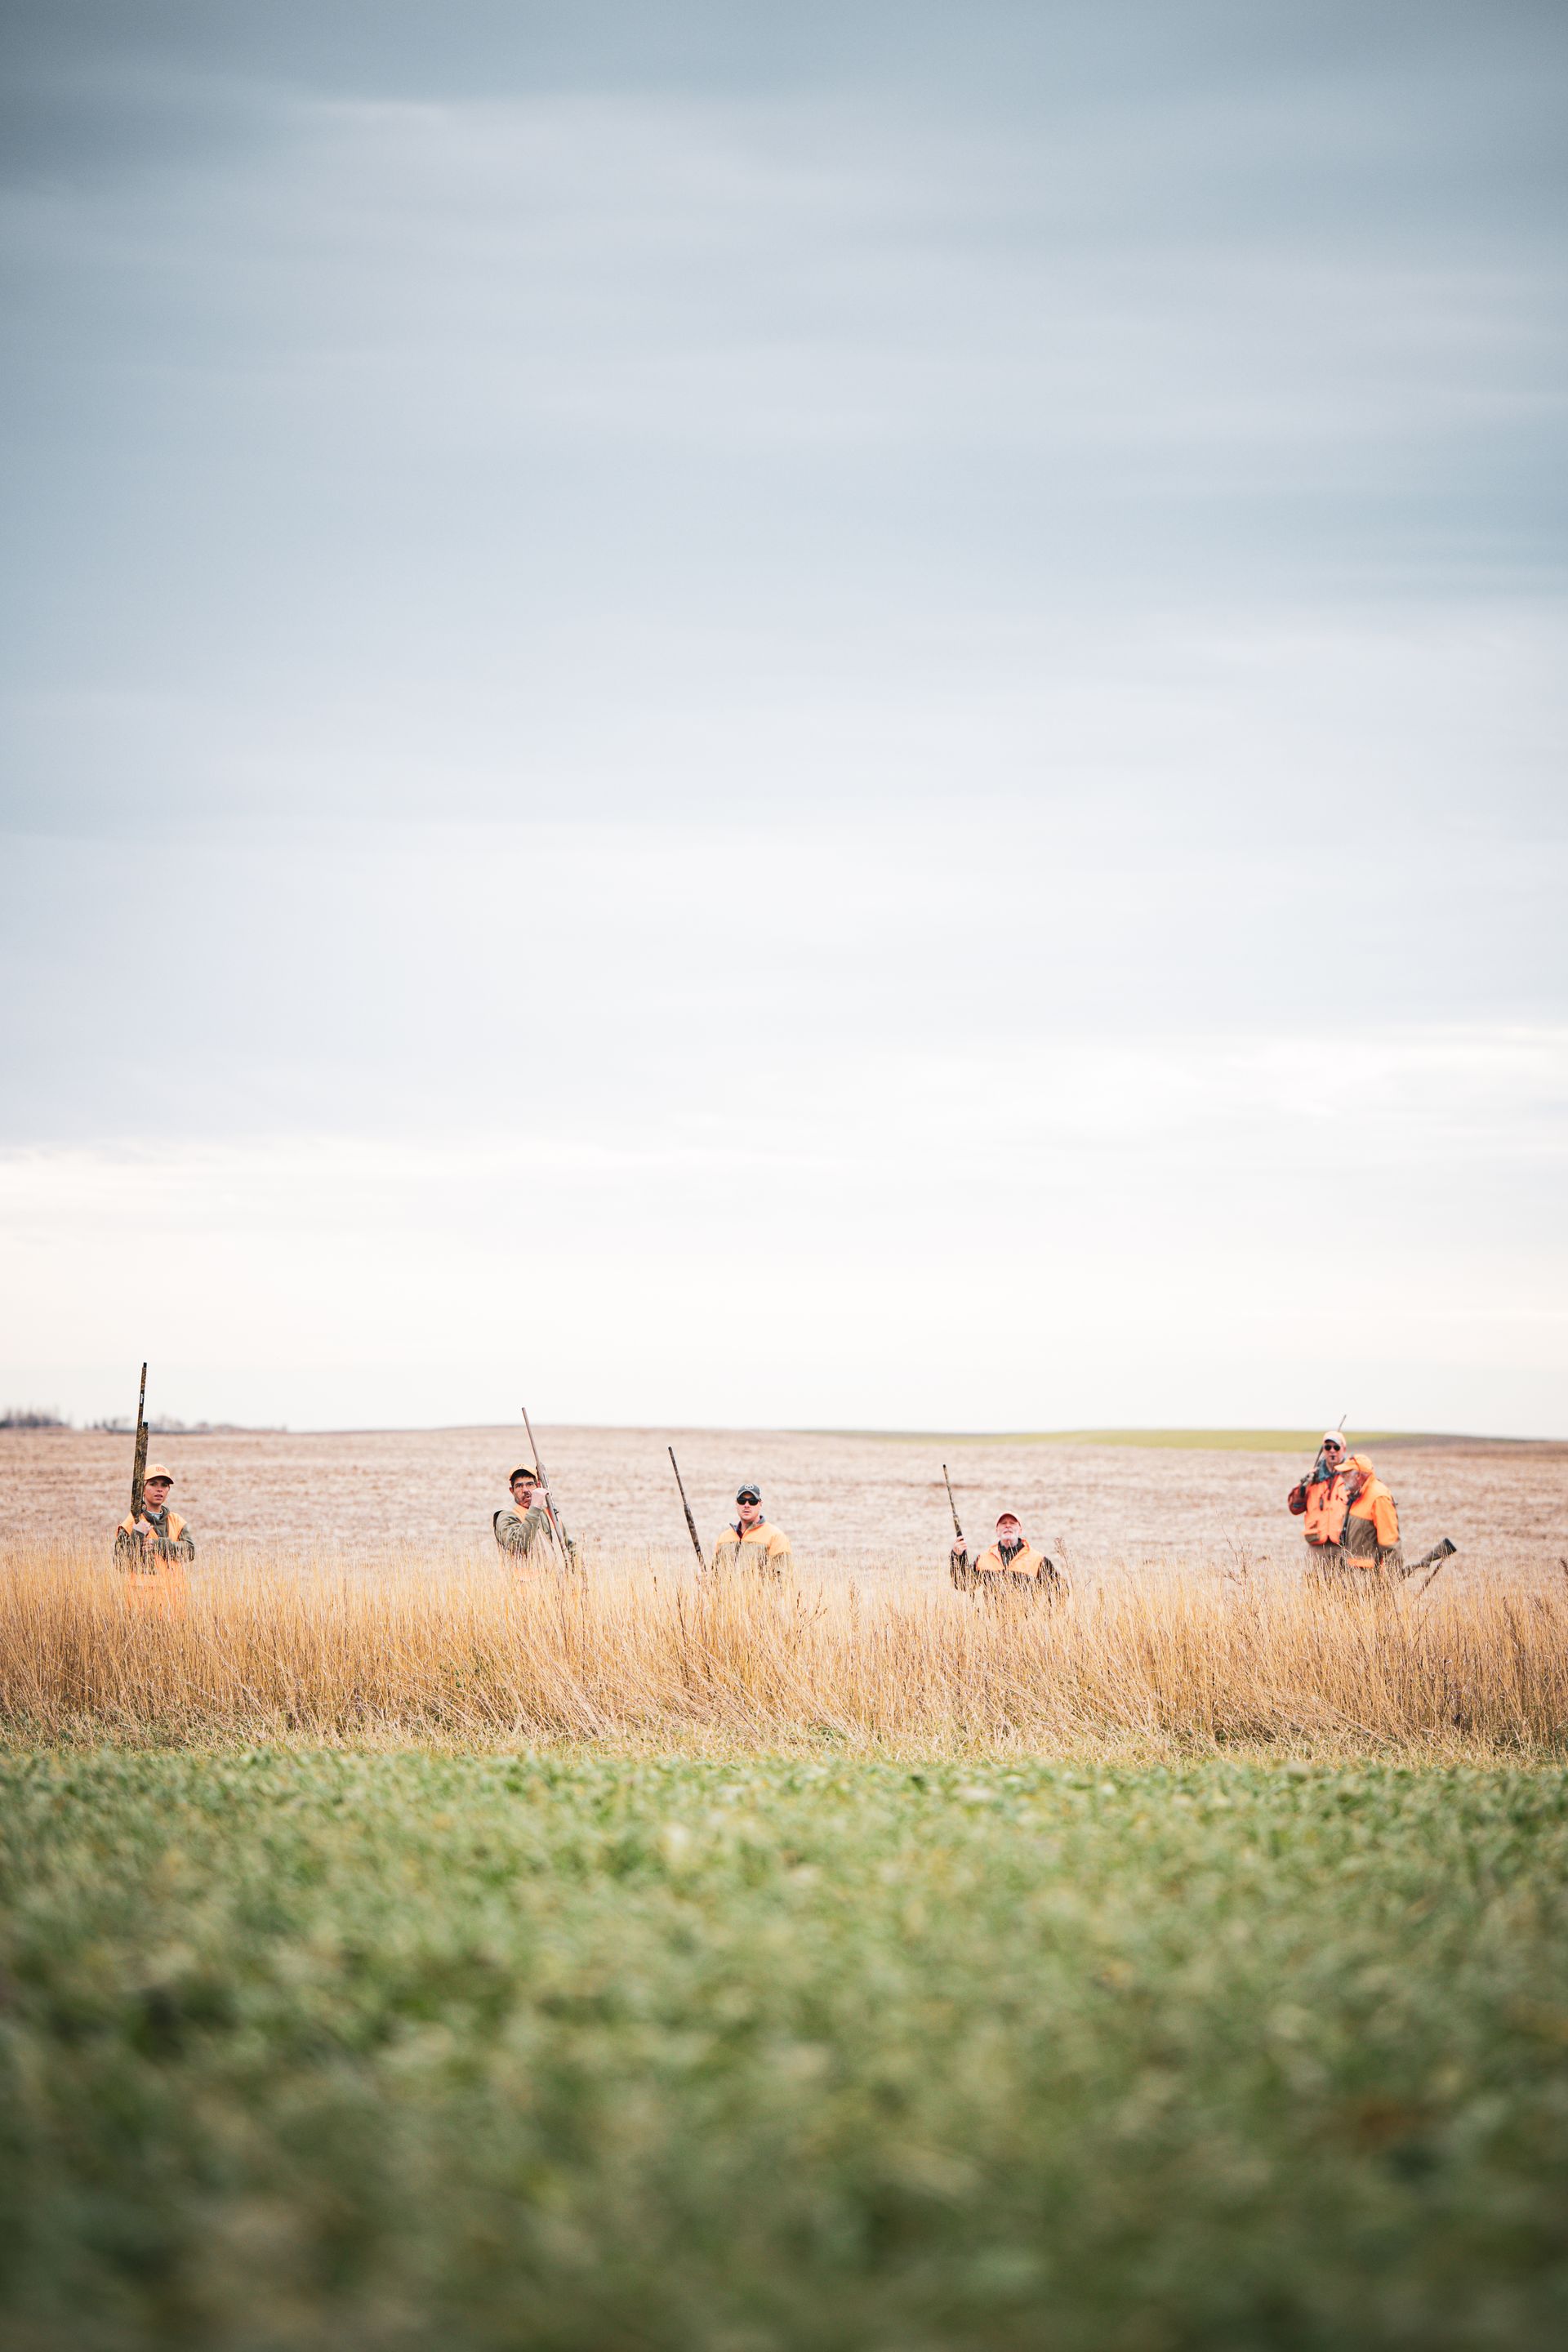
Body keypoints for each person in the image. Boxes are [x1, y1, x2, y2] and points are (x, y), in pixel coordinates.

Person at [1287, 1433, 1403, 1579]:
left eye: (1336, 1447)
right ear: (1323, 1450)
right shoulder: (1313, 1478)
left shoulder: (1354, 1480)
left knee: (1340, 1591)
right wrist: (1304, 1485)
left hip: (1342, 1547)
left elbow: (1384, 1536)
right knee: (1314, 1590)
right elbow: (1294, 1507)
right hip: (1316, 1546)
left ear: (1344, 1449)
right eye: (1327, 1447)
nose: (1332, 1450)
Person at [115, 1463, 194, 1607]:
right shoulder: (130, 1523)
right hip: (142, 1605)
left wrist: (158, 1545)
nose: (159, 1489)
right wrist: (137, 1535)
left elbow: (190, 1552)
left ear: (168, 1490)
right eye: (153, 1484)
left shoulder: (177, 1521)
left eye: (164, 1485)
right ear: (142, 1490)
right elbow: (121, 1563)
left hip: (175, 1604)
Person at [951, 1511, 1068, 1597]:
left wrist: (1045, 1617)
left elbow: (1061, 1591)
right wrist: (958, 1556)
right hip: (992, 1627)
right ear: (997, 1531)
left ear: (1020, 1530)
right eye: (1003, 1523)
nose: (1008, 1525)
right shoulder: (984, 1559)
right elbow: (963, 1585)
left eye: (1012, 1523)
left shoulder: (1037, 1560)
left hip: (1027, 1627)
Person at [709, 1483, 792, 1575]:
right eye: (742, 1501)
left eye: (753, 1501)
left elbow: (783, 1581)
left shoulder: (776, 1537)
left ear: (760, 1504)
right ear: (736, 1504)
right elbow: (715, 1576)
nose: (747, 1505)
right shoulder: (724, 1537)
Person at [493, 1466, 554, 1561]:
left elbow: (569, 1546)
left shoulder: (548, 1512)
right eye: (519, 1486)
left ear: (538, 1486)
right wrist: (535, 1507)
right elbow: (517, 1546)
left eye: (530, 1484)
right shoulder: (506, 1515)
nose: (525, 1490)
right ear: (512, 1491)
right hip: (521, 1576)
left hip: (553, 1576)